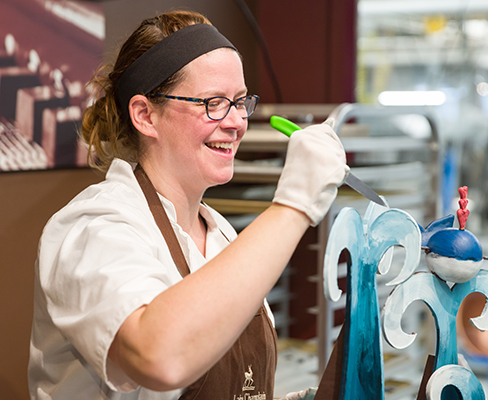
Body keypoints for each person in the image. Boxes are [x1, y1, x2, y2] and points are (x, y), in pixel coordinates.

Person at [28, 9, 348, 400]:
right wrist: (294, 206)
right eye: (214, 102)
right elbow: (158, 357)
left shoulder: (220, 234)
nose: (236, 122)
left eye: (240, 101)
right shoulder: (92, 228)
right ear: (145, 115)